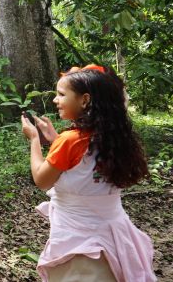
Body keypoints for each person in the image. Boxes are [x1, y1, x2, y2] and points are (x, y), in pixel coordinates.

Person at [21, 64, 156, 282]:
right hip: (116, 237)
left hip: (79, 244)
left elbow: (41, 179)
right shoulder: (115, 137)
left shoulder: (71, 140)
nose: (56, 100)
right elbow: (84, 166)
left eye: (61, 94)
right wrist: (55, 140)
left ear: (84, 100)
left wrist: (35, 140)